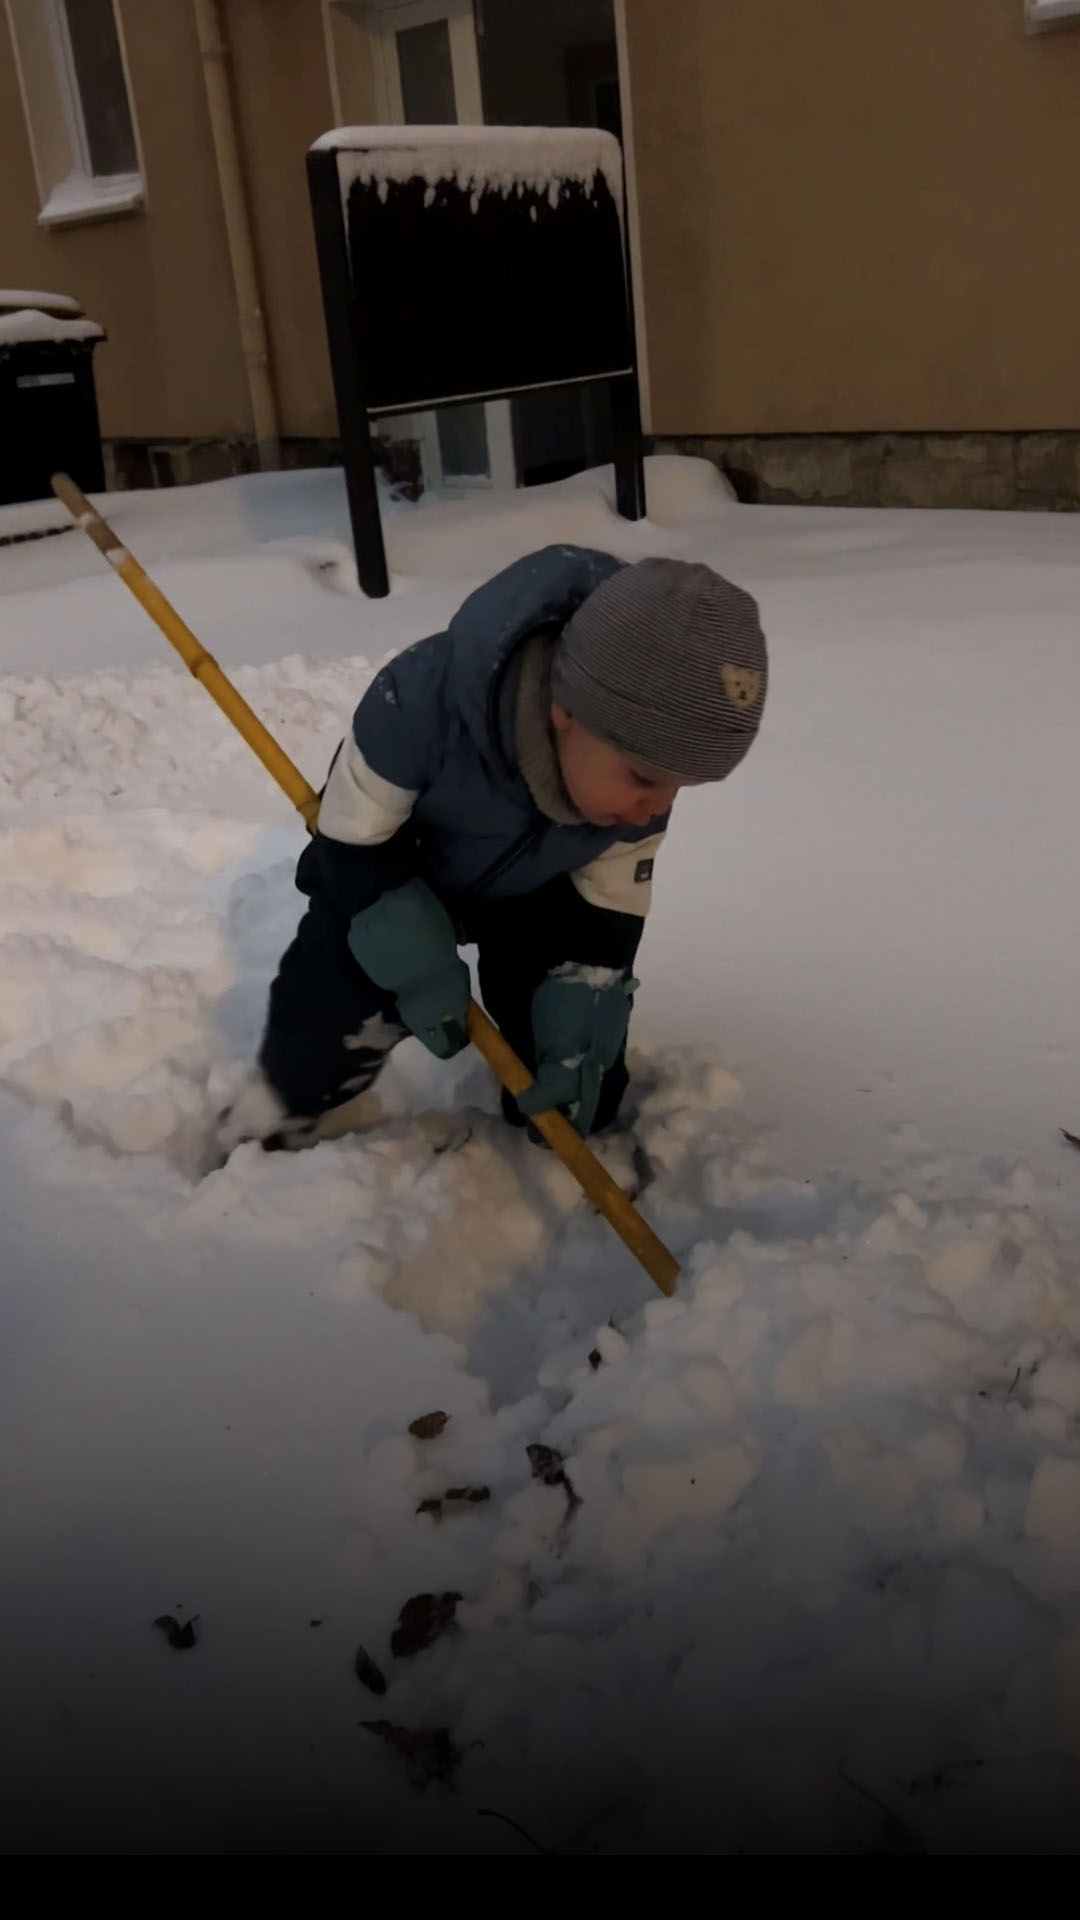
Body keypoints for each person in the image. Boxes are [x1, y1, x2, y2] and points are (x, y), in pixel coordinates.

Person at [215, 545, 767, 1157]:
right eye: (643, 777)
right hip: (397, 873)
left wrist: (586, 994)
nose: (656, 808)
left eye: (677, 786)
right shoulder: (418, 707)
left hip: (538, 894)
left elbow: (610, 909)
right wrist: (395, 931)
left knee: (575, 1055)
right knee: (332, 1006)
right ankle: (278, 1109)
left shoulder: (628, 792)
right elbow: (348, 842)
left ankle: (565, 1132)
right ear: (567, 711)